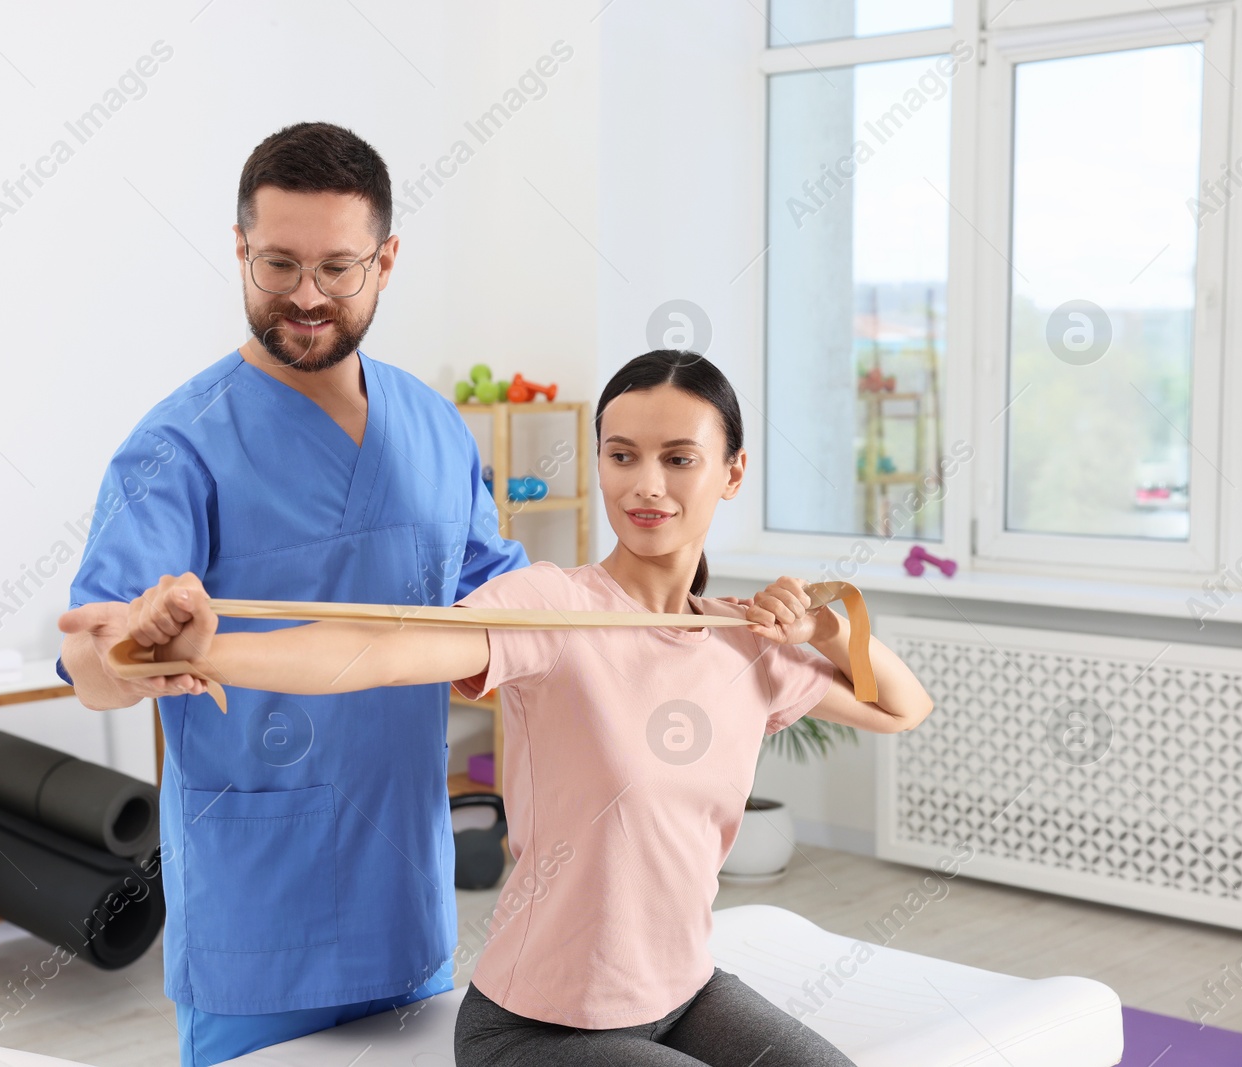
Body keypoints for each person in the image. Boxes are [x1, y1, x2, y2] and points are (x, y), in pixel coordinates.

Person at [123, 349, 933, 1066]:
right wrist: (207, 649)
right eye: (622, 456)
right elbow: (384, 649)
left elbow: (902, 707)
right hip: (535, 1029)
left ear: (732, 470)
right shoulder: (553, 608)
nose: (646, 484)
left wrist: (826, 624)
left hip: (685, 994)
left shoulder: (743, 642)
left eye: (679, 457)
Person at [55, 122, 529, 1066]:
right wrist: (128, 652)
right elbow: (91, 660)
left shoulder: (434, 429)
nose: (307, 297)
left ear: (386, 261)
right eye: (277, 264)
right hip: (258, 917)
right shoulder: (178, 446)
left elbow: (512, 610)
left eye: (338, 268)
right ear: (239, 249)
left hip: (406, 897)